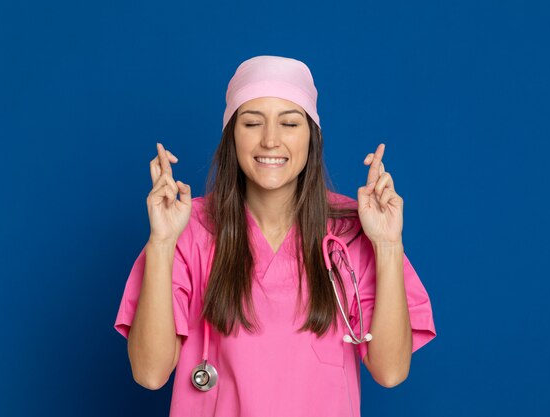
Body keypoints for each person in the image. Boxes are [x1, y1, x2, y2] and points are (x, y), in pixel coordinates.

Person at [113, 55, 437, 417]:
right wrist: (161, 242)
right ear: (231, 136)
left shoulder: (353, 230)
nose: (270, 140)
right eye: (252, 123)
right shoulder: (187, 228)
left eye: (289, 123)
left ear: (312, 137)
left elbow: (391, 371)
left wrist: (388, 244)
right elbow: (149, 373)